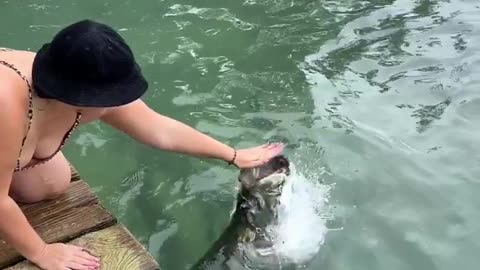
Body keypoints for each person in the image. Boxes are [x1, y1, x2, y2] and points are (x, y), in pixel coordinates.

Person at [0, 19, 284, 270]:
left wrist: (232, 155)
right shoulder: (6, 106)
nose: (120, 102)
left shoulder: (70, 81)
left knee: (51, 184)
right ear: (79, 98)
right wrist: (42, 251)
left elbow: (159, 129)